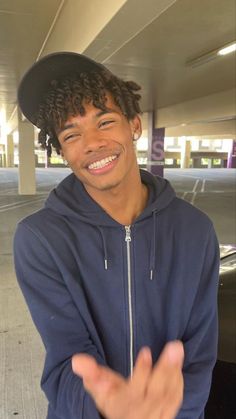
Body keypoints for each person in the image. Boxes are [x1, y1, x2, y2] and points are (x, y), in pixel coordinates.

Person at [14, 52, 219, 419]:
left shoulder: (195, 230)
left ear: (134, 126)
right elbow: (66, 360)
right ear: (62, 151)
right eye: (71, 134)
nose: (91, 142)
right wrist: (109, 407)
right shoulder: (40, 239)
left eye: (105, 121)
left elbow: (199, 356)